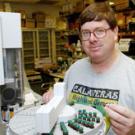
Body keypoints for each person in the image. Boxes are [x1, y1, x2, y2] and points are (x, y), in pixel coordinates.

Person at [43, 1, 135, 135]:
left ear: (115, 32)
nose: (92, 39)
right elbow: (63, 107)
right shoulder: (74, 69)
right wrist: (54, 98)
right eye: (86, 33)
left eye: (99, 31)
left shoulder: (132, 73)